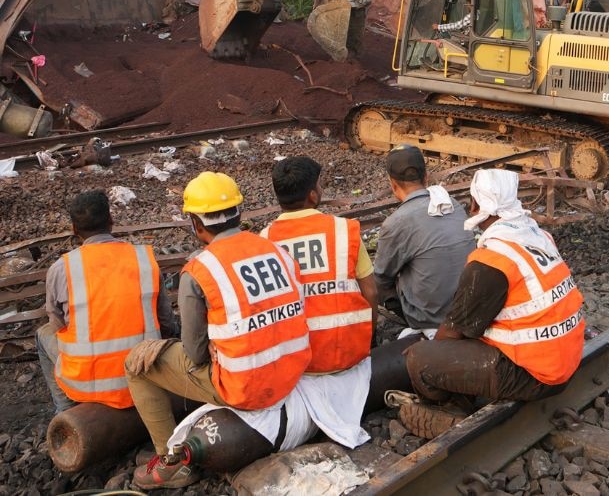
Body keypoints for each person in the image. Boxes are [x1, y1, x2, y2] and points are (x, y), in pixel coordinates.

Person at [124, 171, 311, 490]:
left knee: (137, 365)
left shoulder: (200, 270)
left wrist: (202, 343)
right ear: (239, 213)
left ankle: (170, 462)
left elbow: (195, 354)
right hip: (292, 373)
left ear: (196, 224)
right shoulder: (278, 252)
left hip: (246, 387)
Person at [398, 169, 585, 439]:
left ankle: (452, 408)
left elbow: (454, 330)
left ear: (476, 205)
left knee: (420, 360)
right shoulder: (538, 237)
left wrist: (426, 353)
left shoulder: (493, 260)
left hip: (534, 373)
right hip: (565, 358)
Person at [36, 190, 178, 414]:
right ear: (111, 221)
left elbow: (58, 326)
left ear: (74, 230)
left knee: (42, 334)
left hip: (86, 384)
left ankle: (66, 412)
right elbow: (166, 322)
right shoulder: (143, 260)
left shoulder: (62, 269)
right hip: (145, 373)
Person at [261, 156, 378, 372]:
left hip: (294, 359)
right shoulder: (343, 230)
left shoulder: (264, 240)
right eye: (319, 184)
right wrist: (372, 337)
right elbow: (370, 291)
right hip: (348, 352)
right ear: (313, 195)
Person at [372, 145, 473, 333]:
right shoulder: (454, 205)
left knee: (379, 281)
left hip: (431, 320)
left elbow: (381, 279)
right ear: (426, 177)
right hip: (467, 311)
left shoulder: (395, 223)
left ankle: (415, 326)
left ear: (392, 184)